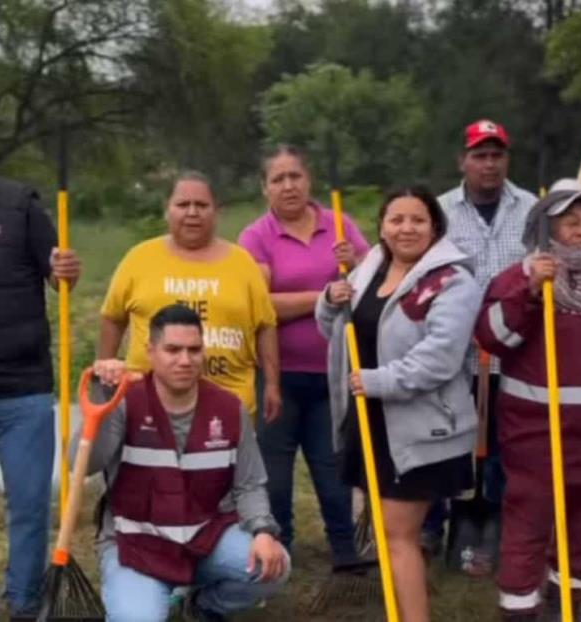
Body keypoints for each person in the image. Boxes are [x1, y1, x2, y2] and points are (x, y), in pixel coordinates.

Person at [316, 186, 480, 622]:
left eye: (417, 220)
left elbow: (441, 358)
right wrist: (330, 300)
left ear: (435, 226)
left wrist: (377, 381)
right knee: (391, 536)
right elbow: (335, 327)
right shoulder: (370, 265)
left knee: (396, 535)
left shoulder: (452, 280)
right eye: (396, 219)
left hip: (422, 429)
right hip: (371, 418)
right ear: (382, 227)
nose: (406, 228)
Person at [475, 180, 581, 621]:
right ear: (547, 229)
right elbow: (493, 338)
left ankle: (569, 609)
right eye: (571, 223)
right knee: (528, 533)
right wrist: (528, 291)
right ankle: (521, 613)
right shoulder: (519, 278)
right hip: (539, 440)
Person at [83, 304, 289, 622]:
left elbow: (249, 484)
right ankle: (149, 593)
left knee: (275, 566)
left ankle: (204, 606)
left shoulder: (228, 408)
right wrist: (102, 399)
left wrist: (263, 531)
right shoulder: (125, 401)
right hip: (136, 544)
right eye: (173, 349)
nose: (184, 360)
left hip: (205, 537)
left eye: (194, 350)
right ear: (151, 351)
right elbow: (84, 464)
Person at [0, 121, 81, 621]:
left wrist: (65, 271)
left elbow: (57, 273)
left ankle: (25, 601)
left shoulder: (19, 205)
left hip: (21, 391)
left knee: (28, 506)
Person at [238, 145, 369, 567]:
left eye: (295, 176)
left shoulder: (340, 225)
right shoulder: (256, 237)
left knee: (333, 470)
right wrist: (324, 298)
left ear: (308, 180)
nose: (288, 185)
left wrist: (360, 263)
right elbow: (260, 305)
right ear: (265, 188)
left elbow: (375, 281)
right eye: (278, 179)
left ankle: (346, 550)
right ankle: (281, 549)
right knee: (274, 478)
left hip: (333, 372)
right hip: (277, 374)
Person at [433, 119, 537, 572]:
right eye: (480, 155)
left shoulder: (532, 210)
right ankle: (459, 521)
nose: (489, 164)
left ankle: (496, 522)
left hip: (514, 359)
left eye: (497, 155)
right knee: (459, 443)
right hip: (458, 358)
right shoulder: (440, 213)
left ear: (507, 160)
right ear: (463, 160)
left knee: (505, 447)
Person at [97, 171, 279, 421]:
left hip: (228, 408)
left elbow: (266, 326)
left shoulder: (243, 263)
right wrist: (104, 370)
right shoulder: (139, 259)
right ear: (167, 209)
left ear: (217, 211)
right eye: (183, 204)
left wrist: (271, 384)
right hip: (147, 407)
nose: (192, 212)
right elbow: (112, 318)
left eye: (202, 205)